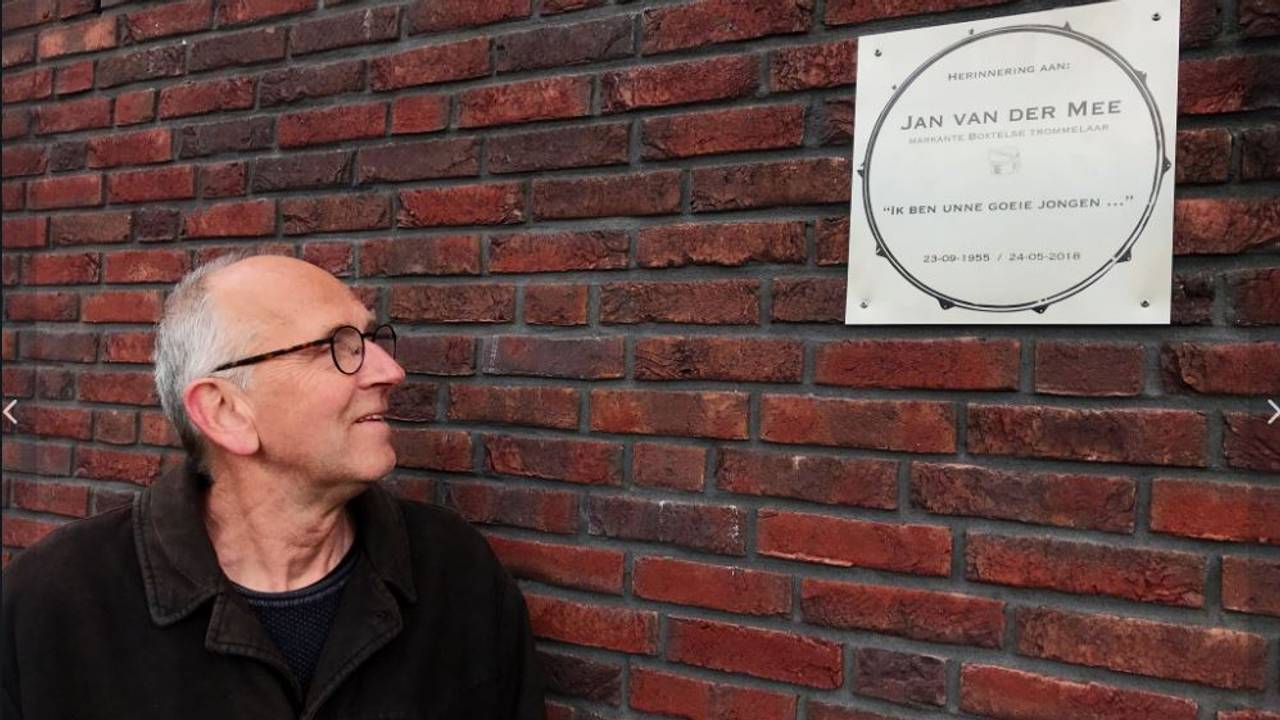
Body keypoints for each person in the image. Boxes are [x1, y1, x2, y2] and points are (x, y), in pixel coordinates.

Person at [1, 253, 545, 719]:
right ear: (225, 412)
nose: (389, 370)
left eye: (371, 338)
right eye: (338, 345)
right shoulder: (51, 607)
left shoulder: (457, 574)